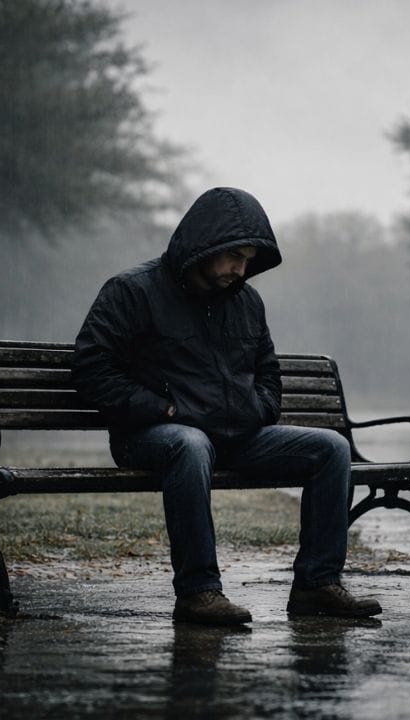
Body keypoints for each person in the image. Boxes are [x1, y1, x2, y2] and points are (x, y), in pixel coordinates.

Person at [72, 187, 382, 626]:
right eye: (234, 256)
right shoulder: (132, 291)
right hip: (152, 436)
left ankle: (317, 585)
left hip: (238, 436)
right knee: (191, 444)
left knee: (331, 448)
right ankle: (199, 593)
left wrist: (258, 409)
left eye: (249, 259)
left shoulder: (247, 302)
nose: (241, 268)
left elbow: (268, 372)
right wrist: (161, 410)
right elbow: (91, 368)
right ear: (205, 246)